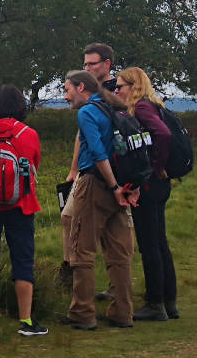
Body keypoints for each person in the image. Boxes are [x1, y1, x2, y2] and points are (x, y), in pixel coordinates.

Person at [58, 70, 138, 330]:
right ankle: (123, 312)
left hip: (95, 185)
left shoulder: (87, 113)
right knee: (119, 254)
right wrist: (126, 187)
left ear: (81, 87)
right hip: (122, 188)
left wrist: (113, 186)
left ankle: (82, 313)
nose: (65, 96)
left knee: (82, 249)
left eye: (67, 89)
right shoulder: (114, 108)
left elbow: (97, 152)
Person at [0, 85, 48, 336]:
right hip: (22, 205)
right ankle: (25, 320)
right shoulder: (30, 134)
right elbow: (34, 165)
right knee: (23, 259)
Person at [60, 43, 123, 296]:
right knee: (69, 219)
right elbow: (83, 136)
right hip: (100, 173)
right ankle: (114, 294)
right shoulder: (91, 101)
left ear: (106, 64)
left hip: (105, 174)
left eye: (91, 64)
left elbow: (98, 146)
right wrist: (73, 168)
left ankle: (83, 301)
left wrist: (115, 183)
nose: (86, 67)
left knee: (92, 240)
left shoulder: (118, 91)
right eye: (84, 64)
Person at [118, 66, 179, 321]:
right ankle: (168, 301)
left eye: (121, 86)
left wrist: (155, 167)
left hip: (150, 184)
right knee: (160, 241)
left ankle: (155, 303)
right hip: (159, 185)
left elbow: (163, 135)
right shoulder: (157, 105)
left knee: (149, 243)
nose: (117, 90)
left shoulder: (142, 107)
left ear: (134, 86)